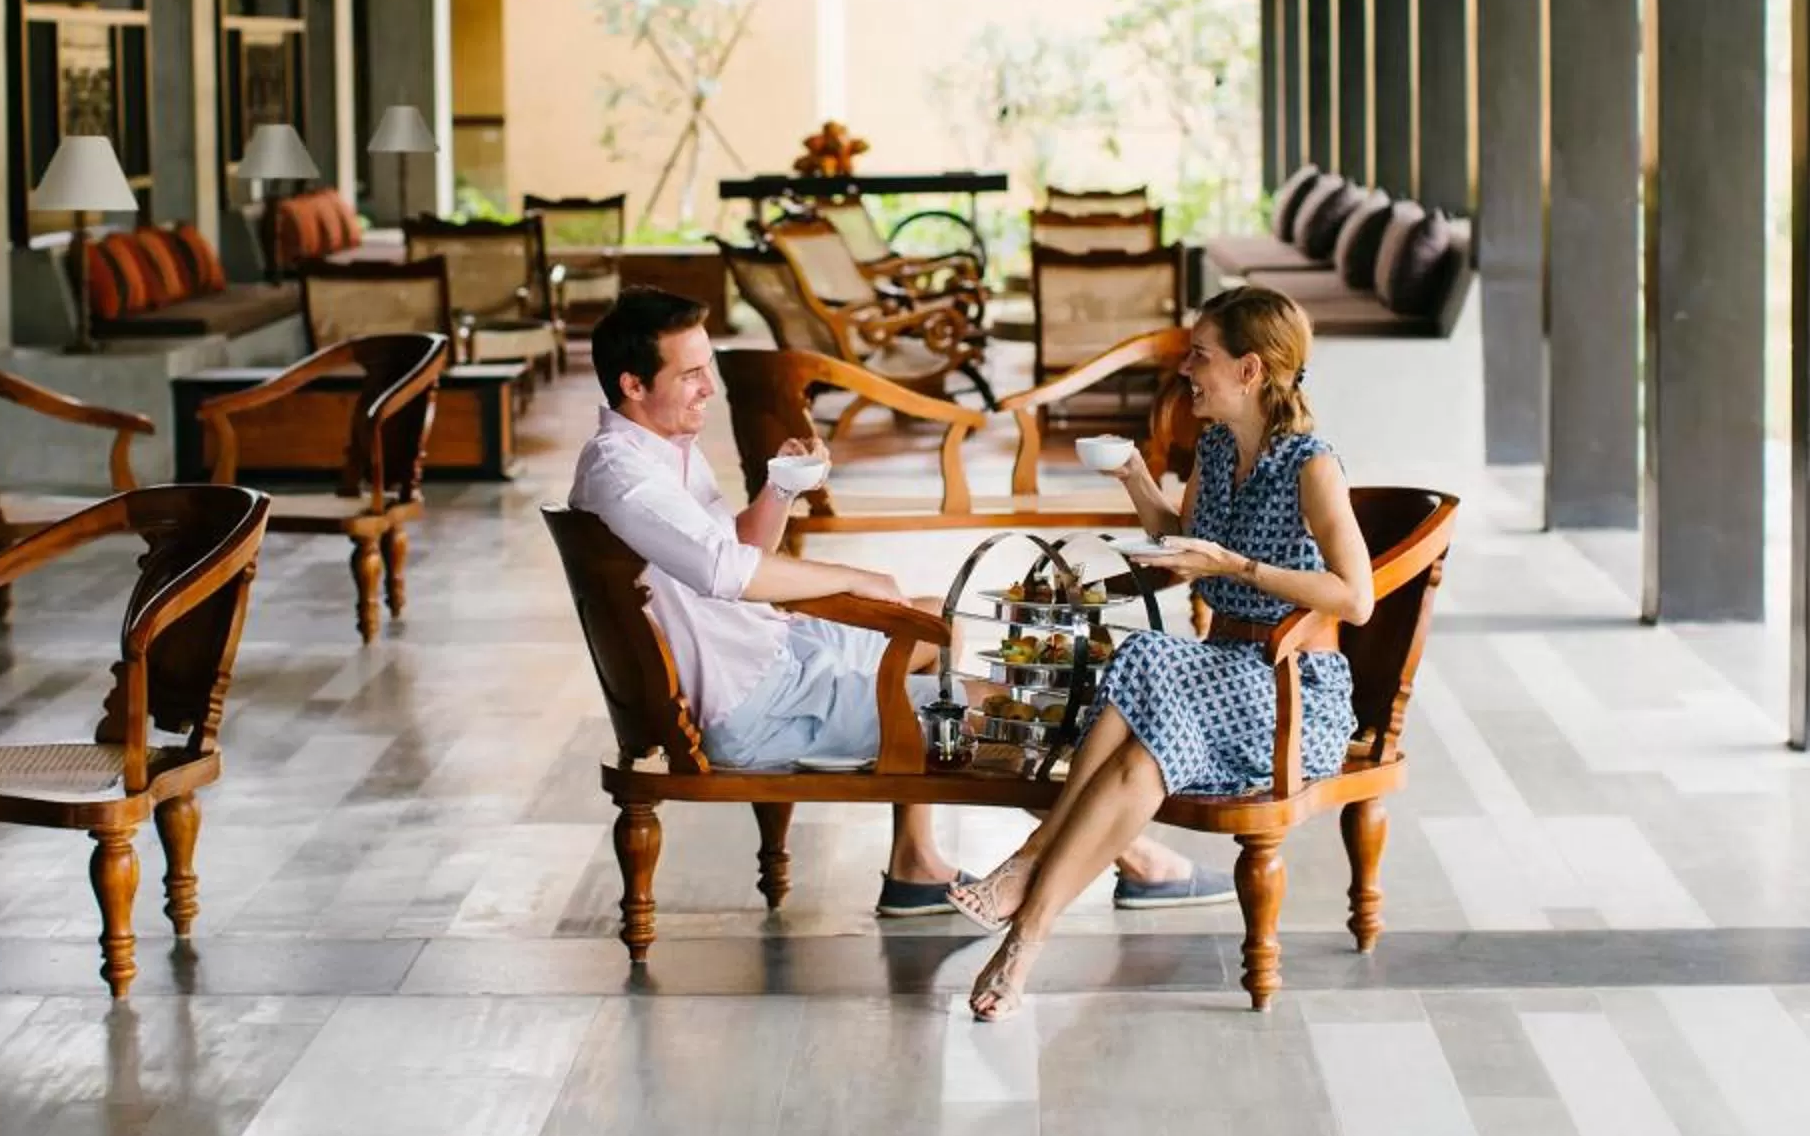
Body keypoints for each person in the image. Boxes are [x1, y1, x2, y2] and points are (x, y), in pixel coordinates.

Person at [569, 286, 1215, 917]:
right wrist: (850, 579)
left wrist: (780, 489)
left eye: (707, 367)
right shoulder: (623, 474)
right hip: (761, 704)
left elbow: (733, 546)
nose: (708, 387)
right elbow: (722, 569)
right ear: (633, 385)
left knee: (931, 620)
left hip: (778, 653)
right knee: (1002, 715)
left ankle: (915, 862)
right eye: (690, 375)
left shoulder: (661, 450)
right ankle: (1139, 859)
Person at [948, 286, 1372, 1019]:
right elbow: (1182, 538)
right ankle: (1023, 945)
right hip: (1217, 673)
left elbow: (1355, 597)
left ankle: (1031, 861)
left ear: (1249, 370)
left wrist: (1236, 568)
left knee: (1145, 656)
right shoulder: (1215, 446)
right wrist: (1134, 477)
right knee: (1141, 762)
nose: (1186, 371)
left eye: (1200, 357)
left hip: (1290, 687)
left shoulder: (1312, 466)